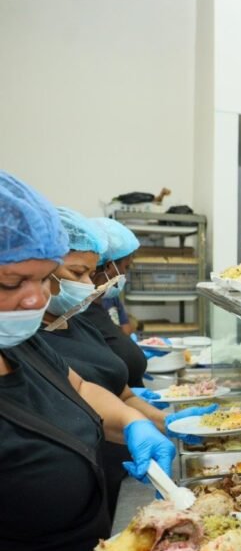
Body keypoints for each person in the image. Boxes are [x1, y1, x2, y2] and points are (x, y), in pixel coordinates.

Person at [0, 171, 187, 551]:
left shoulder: (20, 343)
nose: (37, 299)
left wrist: (130, 422)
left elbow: (78, 388)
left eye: (44, 279)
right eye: (12, 283)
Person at [37, 208, 213, 513]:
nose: (89, 285)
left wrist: (162, 423)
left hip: (107, 481)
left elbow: (107, 391)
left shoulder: (76, 320)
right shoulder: (25, 337)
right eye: (78, 273)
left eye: (90, 275)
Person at [81, 218, 147, 387]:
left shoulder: (99, 306)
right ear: (110, 266)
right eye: (126, 267)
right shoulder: (78, 315)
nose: (125, 274)